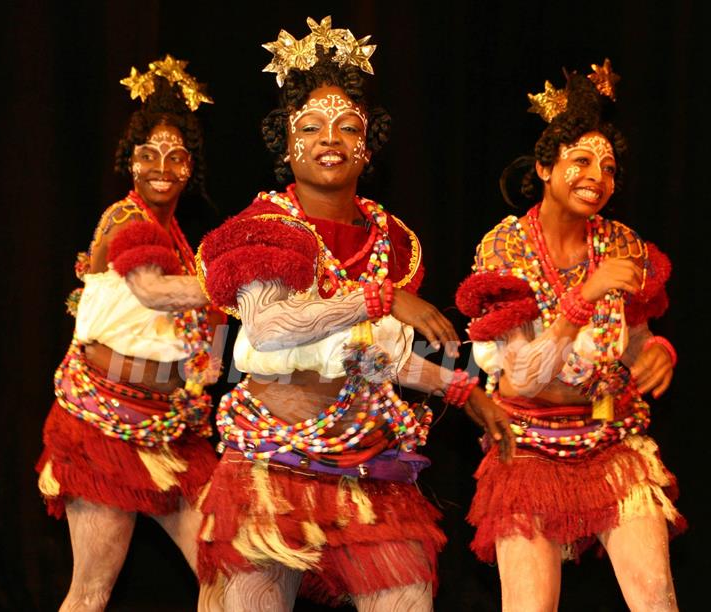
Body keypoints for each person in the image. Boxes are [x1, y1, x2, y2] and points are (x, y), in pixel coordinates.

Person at [194, 16, 513, 611]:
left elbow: (377, 361)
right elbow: (267, 329)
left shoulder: (389, 239)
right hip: (271, 468)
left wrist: (465, 392)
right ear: (284, 144)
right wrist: (379, 298)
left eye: (347, 127)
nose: (329, 139)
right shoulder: (264, 229)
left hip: (369, 463)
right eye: (310, 127)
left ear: (369, 144)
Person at [455, 60, 685, 611]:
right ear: (543, 166)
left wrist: (657, 351)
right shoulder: (504, 248)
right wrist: (584, 298)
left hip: (610, 439)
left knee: (656, 596)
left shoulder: (621, 242)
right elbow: (521, 377)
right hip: (528, 448)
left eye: (608, 167)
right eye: (580, 159)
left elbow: (635, 335)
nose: (596, 177)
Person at [36, 55, 224, 610]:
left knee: (224, 574)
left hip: (173, 432)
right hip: (103, 430)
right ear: (131, 161)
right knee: (92, 590)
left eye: (176, 156)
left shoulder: (184, 240)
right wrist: (240, 286)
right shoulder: (127, 220)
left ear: (191, 166)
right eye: (149, 154)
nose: (163, 166)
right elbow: (151, 291)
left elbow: (202, 324)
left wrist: (209, 361)